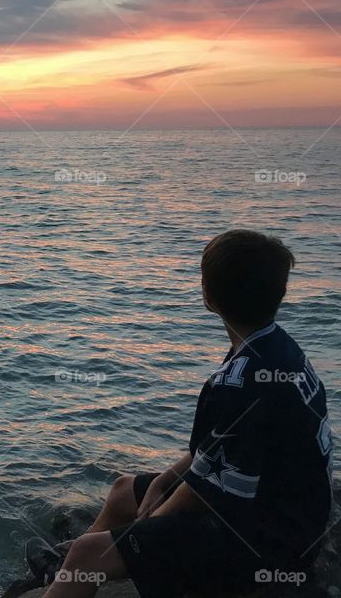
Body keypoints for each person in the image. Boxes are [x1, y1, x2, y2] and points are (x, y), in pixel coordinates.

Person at [22, 230, 333, 598]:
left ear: (208, 297)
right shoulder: (276, 349)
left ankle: (72, 567)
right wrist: (163, 480)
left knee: (89, 554)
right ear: (279, 293)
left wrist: (146, 530)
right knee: (124, 490)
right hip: (282, 512)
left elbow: (211, 493)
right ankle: (64, 571)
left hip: (268, 546)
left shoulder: (240, 383)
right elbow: (222, 443)